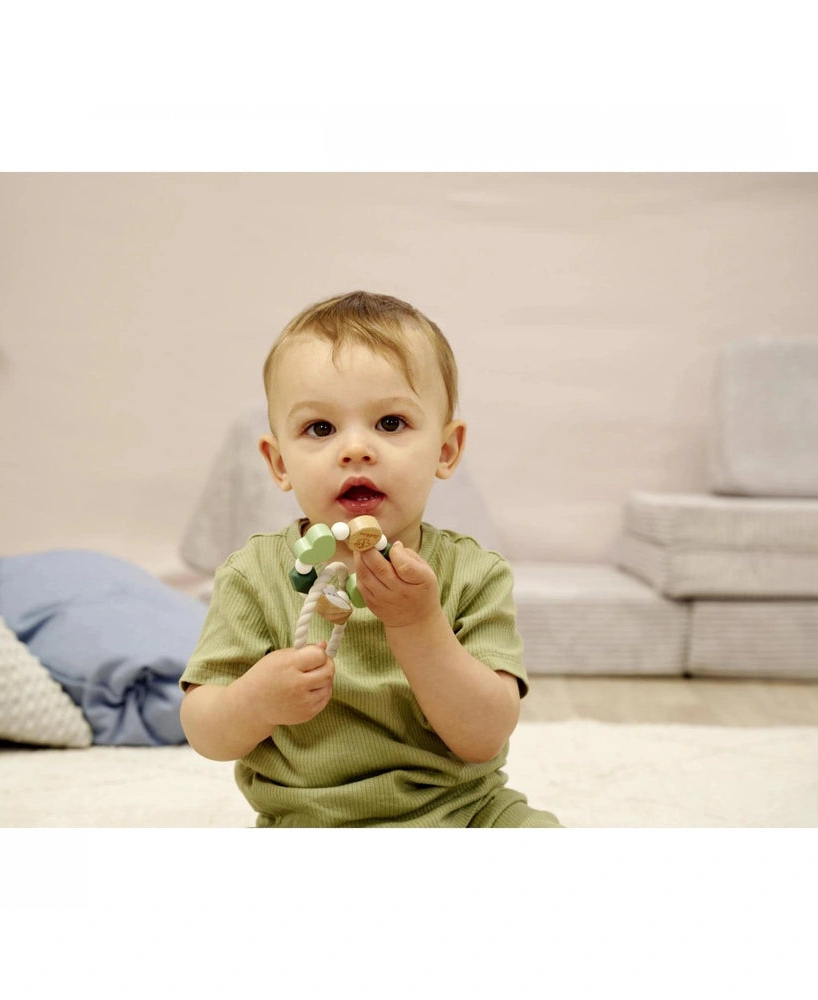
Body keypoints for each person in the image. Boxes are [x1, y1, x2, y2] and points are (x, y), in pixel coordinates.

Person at [180, 291, 561, 827]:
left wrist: (419, 624)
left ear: (446, 451)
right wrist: (257, 701)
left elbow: (483, 737)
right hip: (309, 822)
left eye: (390, 424)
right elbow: (204, 730)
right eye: (320, 428)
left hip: (463, 812)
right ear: (279, 461)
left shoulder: (475, 574)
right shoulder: (252, 576)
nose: (355, 449)